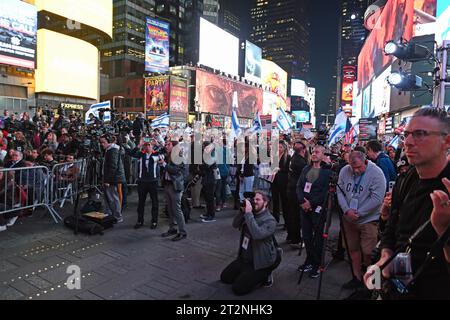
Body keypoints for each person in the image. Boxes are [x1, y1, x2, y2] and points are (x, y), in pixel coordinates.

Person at [365, 107, 450, 299]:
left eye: (420, 134)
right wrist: (385, 257)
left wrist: (445, 231)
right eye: (407, 135)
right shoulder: (406, 179)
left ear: (446, 141)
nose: (408, 142)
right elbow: (392, 229)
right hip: (396, 283)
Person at [337, 150, 386, 289]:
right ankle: (357, 278)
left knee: (369, 252)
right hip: (349, 219)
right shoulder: (344, 171)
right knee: (352, 249)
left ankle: (374, 284)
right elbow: (339, 190)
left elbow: (377, 198)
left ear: (365, 161)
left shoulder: (377, 173)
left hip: (368, 219)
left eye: (358, 167)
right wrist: (346, 209)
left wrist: (359, 212)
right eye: (352, 167)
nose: (355, 170)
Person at [220, 191, 280, 295]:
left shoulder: (270, 221)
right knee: (225, 278)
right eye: (253, 199)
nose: (254, 202)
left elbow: (257, 234)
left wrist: (248, 214)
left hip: (260, 262)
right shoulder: (250, 213)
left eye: (258, 200)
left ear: (265, 202)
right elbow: (235, 224)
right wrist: (242, 211)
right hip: (245, 259)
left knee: (238, 289)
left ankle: (266, 274)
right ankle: (246, 274)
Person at [296, 145, 332, 277]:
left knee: (318, 238)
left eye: (317, 152)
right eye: (313, 152)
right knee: (306, 236)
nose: (314, 154)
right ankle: (310, 260)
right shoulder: (306, 169)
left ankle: (317, 264)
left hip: (317, 209)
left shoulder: (327, 172)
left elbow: (325, 193)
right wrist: (302, 202)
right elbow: (299, 186)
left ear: (323, 155)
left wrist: (311, 203)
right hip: (304, 208)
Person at [128, 138, 160, 229]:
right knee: (141, 202)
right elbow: (131, 153)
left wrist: (157, 144)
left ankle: (154, 221)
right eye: (145, 145)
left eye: (149, 145)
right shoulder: (141, 154)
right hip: (142, 182)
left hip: (153, 182)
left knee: (155, 202)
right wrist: (139, 145)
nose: (147, 147)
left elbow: (165, 151)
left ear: (152, 146)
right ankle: (139, 221)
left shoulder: (156, 154)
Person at [159, 140, 187, 241]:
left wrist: (164, 165)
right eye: (166, 144)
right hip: (168, 184)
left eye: (169, 144)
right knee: (170, 209)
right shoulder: (169, 155)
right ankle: (172, 228)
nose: (166, 146)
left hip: (175, 186)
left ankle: (182, 232)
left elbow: (175, 170)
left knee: (177, 210)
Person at [285, 140, 308, 247]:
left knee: (292, 214)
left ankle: (291, 237)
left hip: (291, 189)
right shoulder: (300, 161)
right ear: (303, 150)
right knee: (296, 216)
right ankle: (296, 239)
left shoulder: (293, 158)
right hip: (296, 191)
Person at [100, 134, 126, 223]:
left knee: (113, 198)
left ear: (109, 142)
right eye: (101, 142)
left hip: (112, 178)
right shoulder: (111, 150)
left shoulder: (113, 150)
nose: (101, 144)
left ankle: (117, 216)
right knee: (110, 197)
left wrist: (108, 180)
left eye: (103, 142)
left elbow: (112, 167)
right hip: (112, 177)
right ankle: (111, 215)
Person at [271, 141, 291, 223]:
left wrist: (280, 169)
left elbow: (289, 170)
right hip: (274, 181)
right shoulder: (274, 156)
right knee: (275, 201)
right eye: (278, 147)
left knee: (284, 202)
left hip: (284, 182)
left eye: (280, 147)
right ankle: (275, 219)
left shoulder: (288, 157)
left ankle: (287, 222)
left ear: (284, 148)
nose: (279, 149)